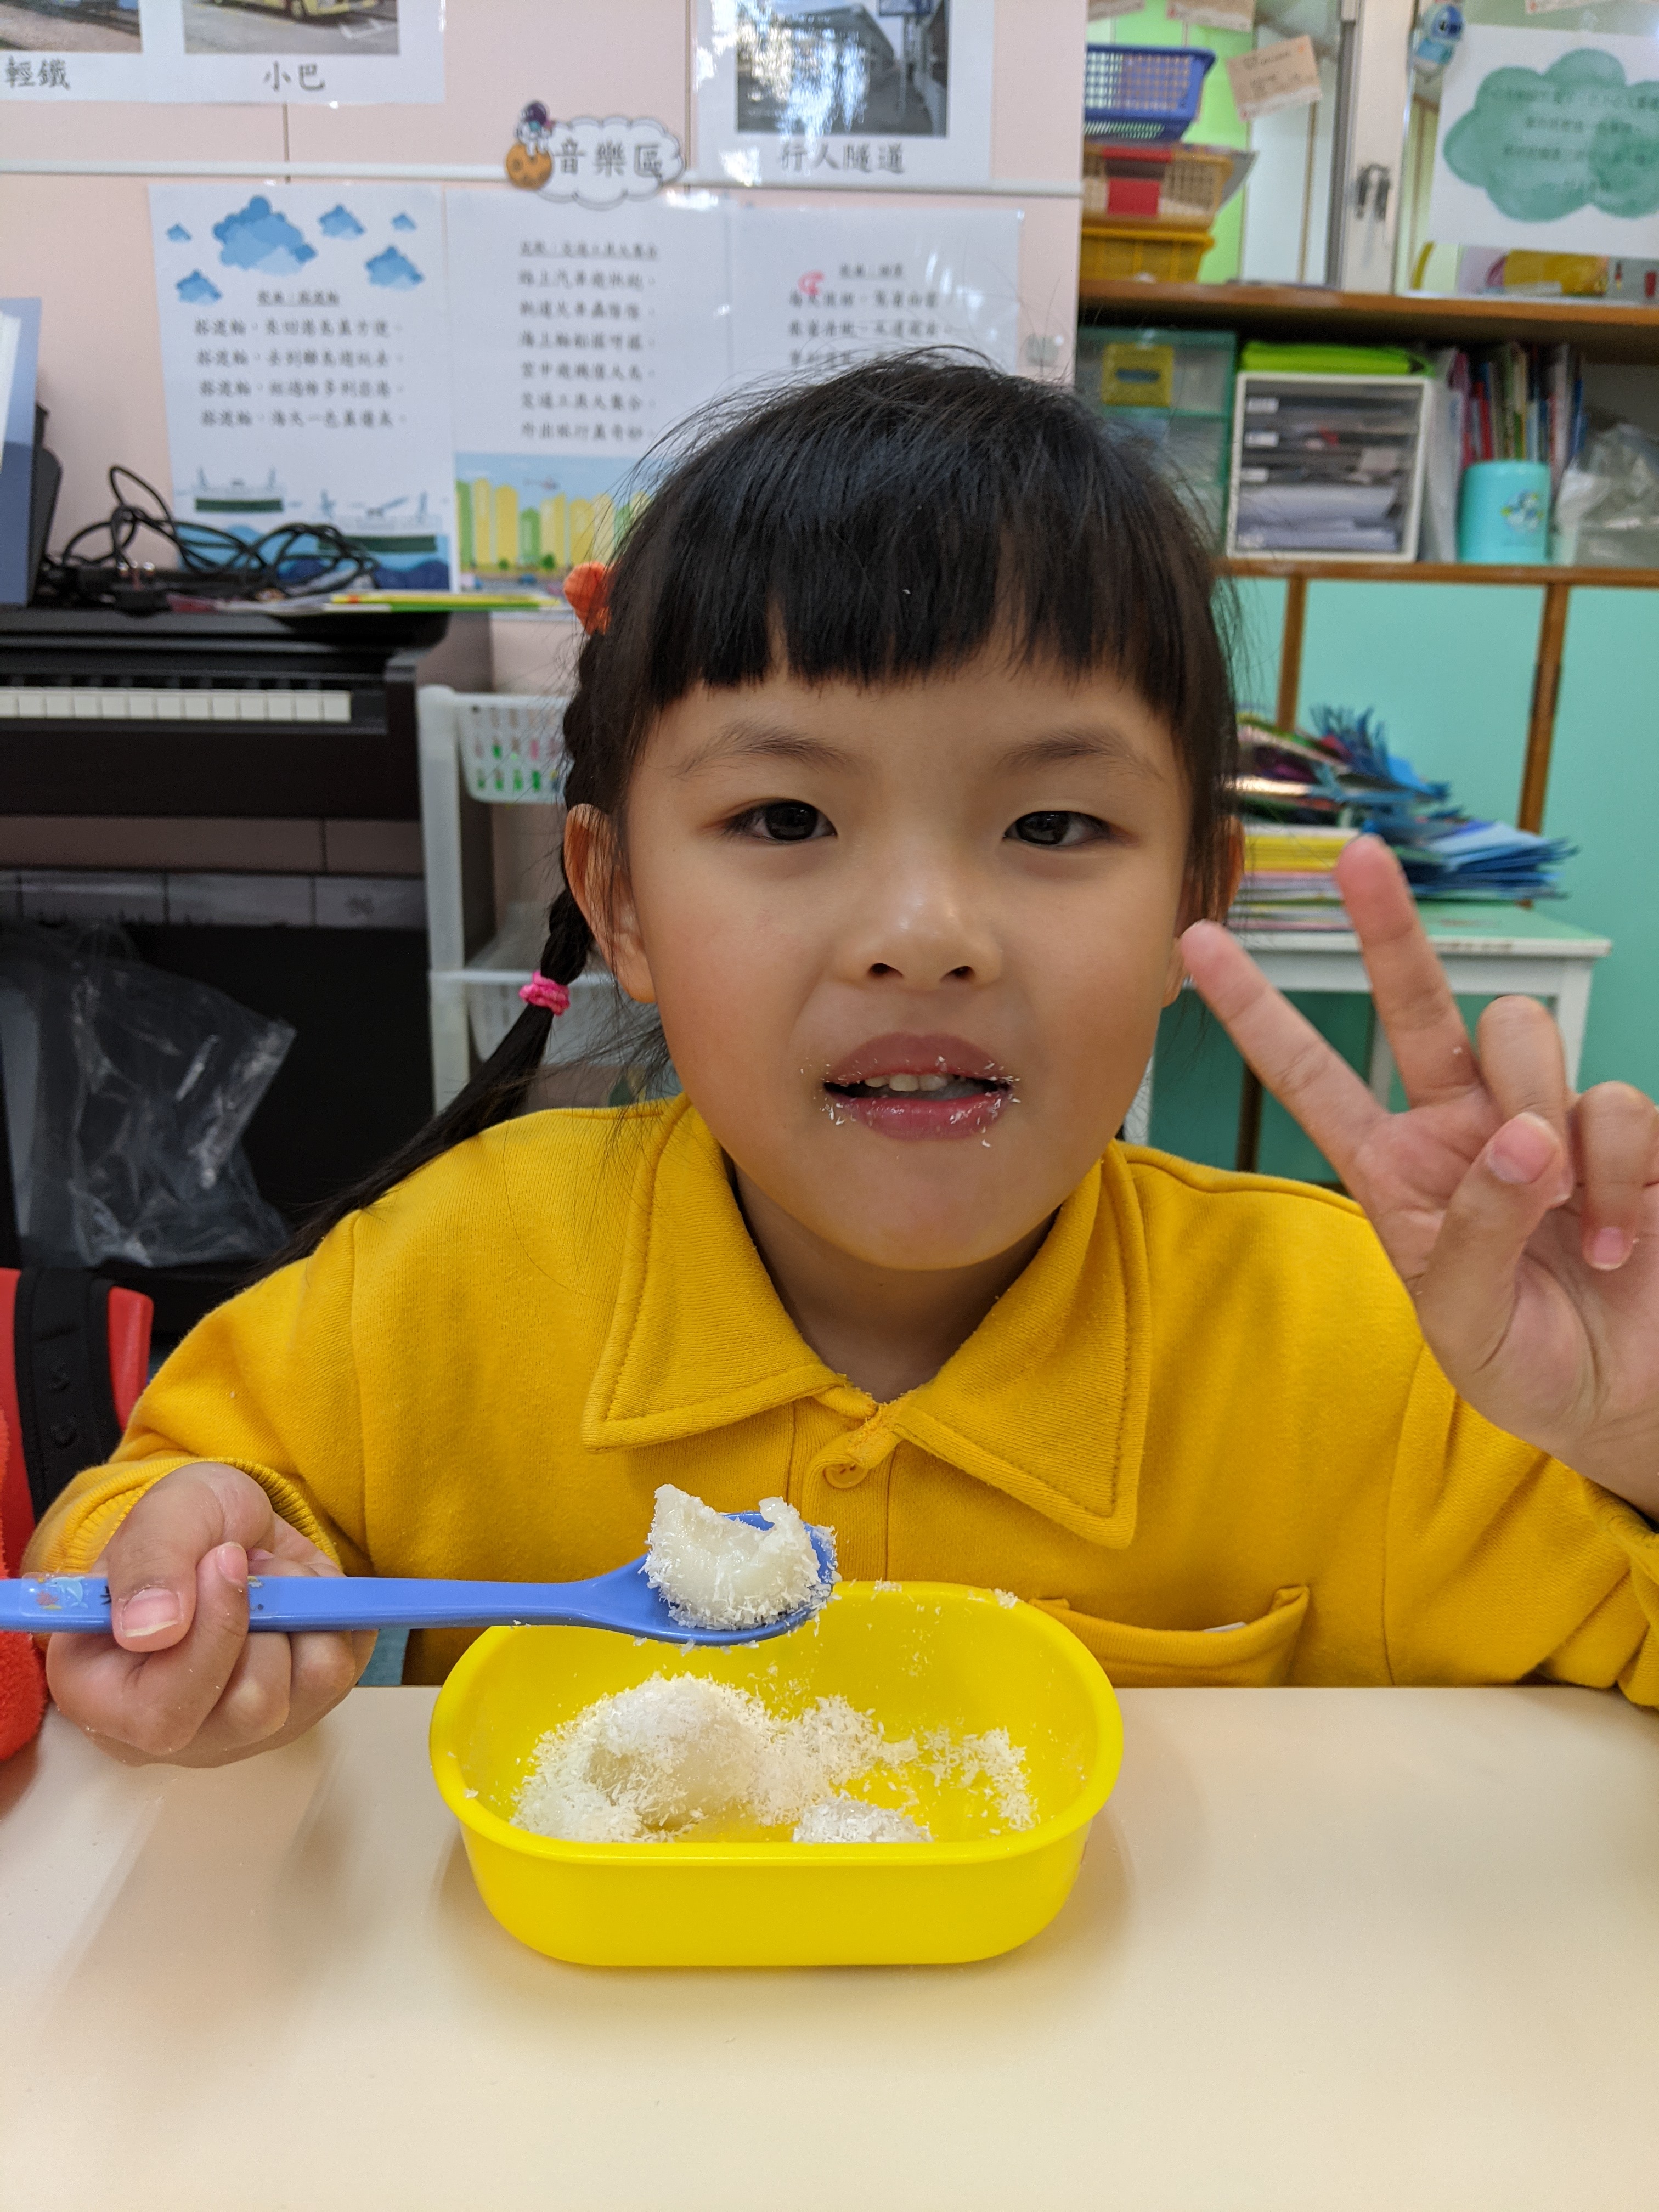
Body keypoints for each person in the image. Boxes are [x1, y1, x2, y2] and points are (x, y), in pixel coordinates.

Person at [29, 357, 1659, 1768]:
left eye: (1054, 824)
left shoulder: (1364, 1358)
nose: (924, 935)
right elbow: (149, 1509)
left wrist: (1638, 1432)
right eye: (786, 817)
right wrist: (185, 1588)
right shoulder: (446, 1281)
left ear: (1194, 903)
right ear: (621, 900)